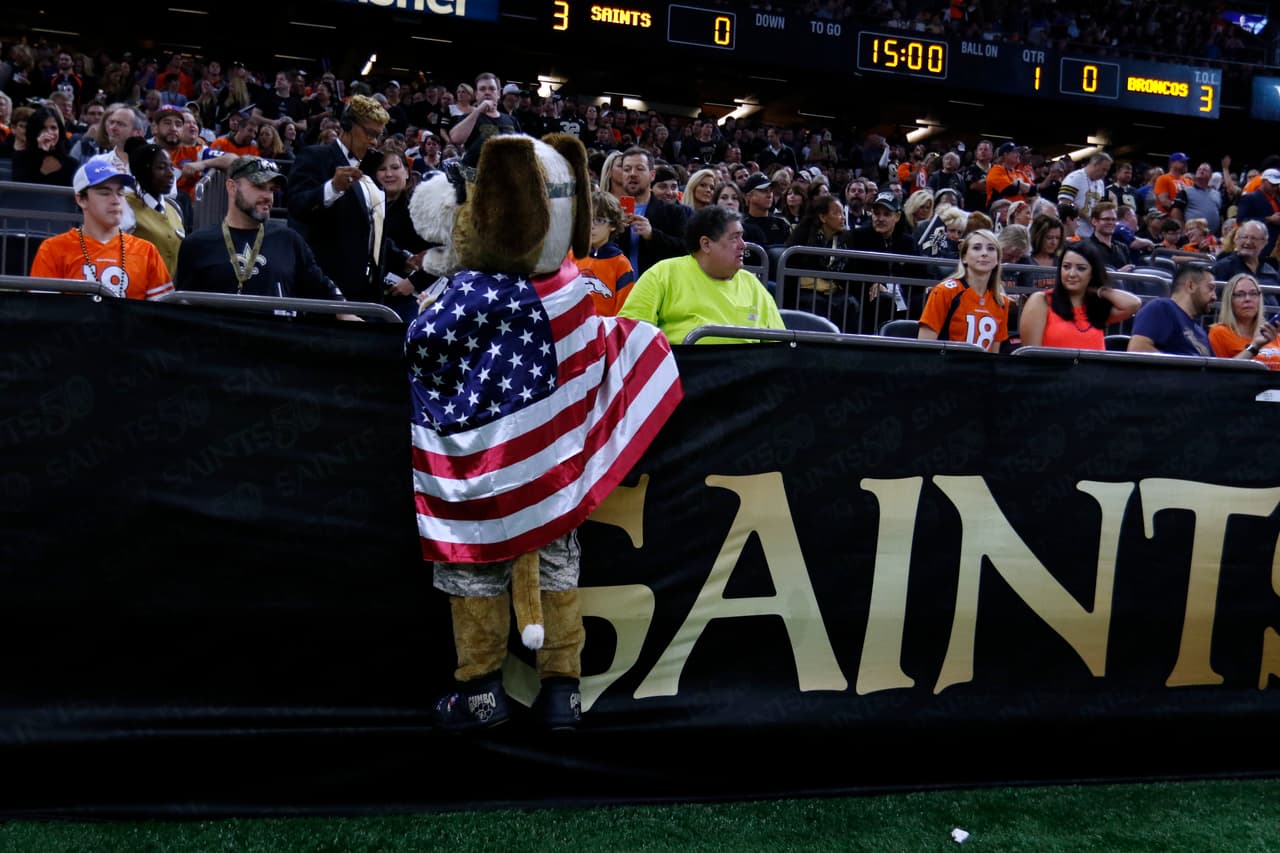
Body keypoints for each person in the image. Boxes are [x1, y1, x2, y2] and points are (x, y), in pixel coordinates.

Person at [287, 95, 415, 304]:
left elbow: (369, 229)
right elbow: (296, 206)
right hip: (327, 293)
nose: (374, 141)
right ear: (347, 125)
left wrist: (404, 259)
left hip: (369, 292)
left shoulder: (372, 169)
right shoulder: (315, 156)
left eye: (378, 135)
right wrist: (332, 188)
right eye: (370, 133)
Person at [174, 155, 349, 308]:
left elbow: (324, 289)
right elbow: (183, 308)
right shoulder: (197, 244)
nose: (268, 196)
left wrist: (344, 311)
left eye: (272, 189)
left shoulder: (288, 240)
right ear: (232, 187)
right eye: (259, 186)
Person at [618, 205, 784, 344]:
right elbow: (631, 333)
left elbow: (779, 347)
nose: (743, 245)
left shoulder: (752, 284)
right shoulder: (662, 274)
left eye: (742, 237)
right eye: (734, 238)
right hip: (682, 376)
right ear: (706, 244)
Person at [30, 156, 173, 301]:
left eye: (120, 193)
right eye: (105, 193)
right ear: (81, 200)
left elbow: (161, 315)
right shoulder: (53, 250)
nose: (116, 200)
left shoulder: (147, 252)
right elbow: (43, 312)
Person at [1018, 240, 1140, 349]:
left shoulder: (1096, 307)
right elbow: (1031, 355)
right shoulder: (1041, 300)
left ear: (1093, 273)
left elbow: (1133, 303)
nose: (1071, 274)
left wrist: (1100, 290)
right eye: (1066, 267)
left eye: (1081, 268)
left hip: (1092, 373)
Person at [917, 228, 1008, 352]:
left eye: (991, 248)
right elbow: (925, 345)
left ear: (997, 259)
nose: (984, 253)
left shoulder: (1001, 301)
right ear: (964, 257)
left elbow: (994, 354)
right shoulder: (944, 291)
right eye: (977, 248)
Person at [569, 190, 635, 317]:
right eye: (587, 219)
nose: (591, 226)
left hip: (605, 331)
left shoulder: (621, 264)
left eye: (599, 220)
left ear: (613, 225)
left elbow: (624, 311)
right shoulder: (571, 256)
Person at [124, 142, 186, 277]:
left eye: (171, 167)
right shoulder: (125, 207)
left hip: (168, 292)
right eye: (161, 167)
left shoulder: (174, 209)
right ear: (144, 171)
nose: (171, 174)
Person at [1127, 264, 1216, 356]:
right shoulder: (1162, 308)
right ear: (1191, 286)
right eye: (1210, 288)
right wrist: (1185, 369)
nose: (1215, 296)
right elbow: (1137, 349)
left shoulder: (1199, 331)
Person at [1207, 273, 1280, 367]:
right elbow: (1220, 374)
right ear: (1230, 301)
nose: (1248, 299)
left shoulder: (1272, 332)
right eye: (1240, 295)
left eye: (1253, 293)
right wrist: (1255, 346)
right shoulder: (1219, 333)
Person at [12, 106, 77, 186]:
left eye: (53, 128)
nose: (49, 132)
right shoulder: (20, 158)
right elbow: (21, 190)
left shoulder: (71, 163)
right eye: (43, 128)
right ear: (35, 131)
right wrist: (41, 153)